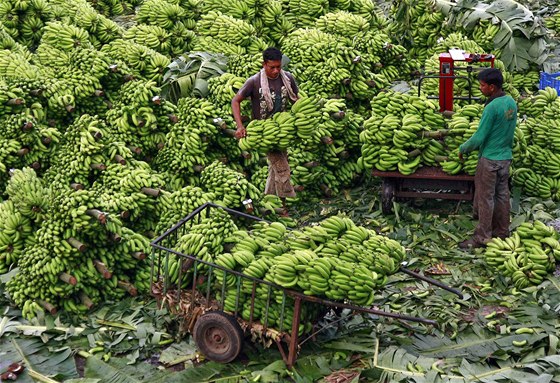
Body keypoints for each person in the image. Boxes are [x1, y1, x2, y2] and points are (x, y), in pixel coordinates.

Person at [231, 47, 299, 216]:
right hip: (264, 133)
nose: (276, 71)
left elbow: (296, 100)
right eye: (272, 67)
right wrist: (240, 126)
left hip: (282, 130)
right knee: (282, 168)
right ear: (264, 64)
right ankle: (283, 207)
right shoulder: (254, 81)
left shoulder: (288, 78)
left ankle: (268, 199)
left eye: (278, 67)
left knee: (274, 168)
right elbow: (236, 100)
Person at [458, 68, 517, 249]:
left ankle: (482, 237)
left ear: (492, 87)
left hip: (490, 160)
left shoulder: (491, 108)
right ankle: (502, 232)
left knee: (486, 198)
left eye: (482, 85)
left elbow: (479, 137)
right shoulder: (510, 102)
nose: (480, 88)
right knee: (502, 196)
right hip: (505, 158)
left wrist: (463, 148)